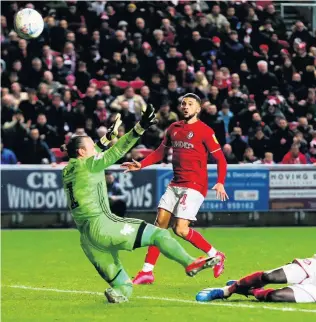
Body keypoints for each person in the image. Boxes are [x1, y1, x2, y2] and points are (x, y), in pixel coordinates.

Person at [61, 106, 218, 304]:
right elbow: (118, 150)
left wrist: (105, 139)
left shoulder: (68, 170)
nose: (96, 149)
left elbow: (95, 153)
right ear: (82, 152)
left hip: (87, 240)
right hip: (102, 226)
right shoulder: (89, 164)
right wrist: (139, 128)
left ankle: (119, 294)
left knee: (123, 285)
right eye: (92, 146)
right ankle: (189, 263)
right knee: (159, 234)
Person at [121, 94, 228, 284]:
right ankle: (147, 271)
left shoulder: (205, 131)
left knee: (180, 230)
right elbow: (161, 151)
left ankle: (216, 254)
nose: (185, 106)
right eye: (183, 104)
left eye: (190, 104)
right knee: (158, 226)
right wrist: (142, 165)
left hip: (195, 185)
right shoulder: (174, 128)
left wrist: (220, 181)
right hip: (175, 183)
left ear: (198, 109)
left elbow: (220, 159)